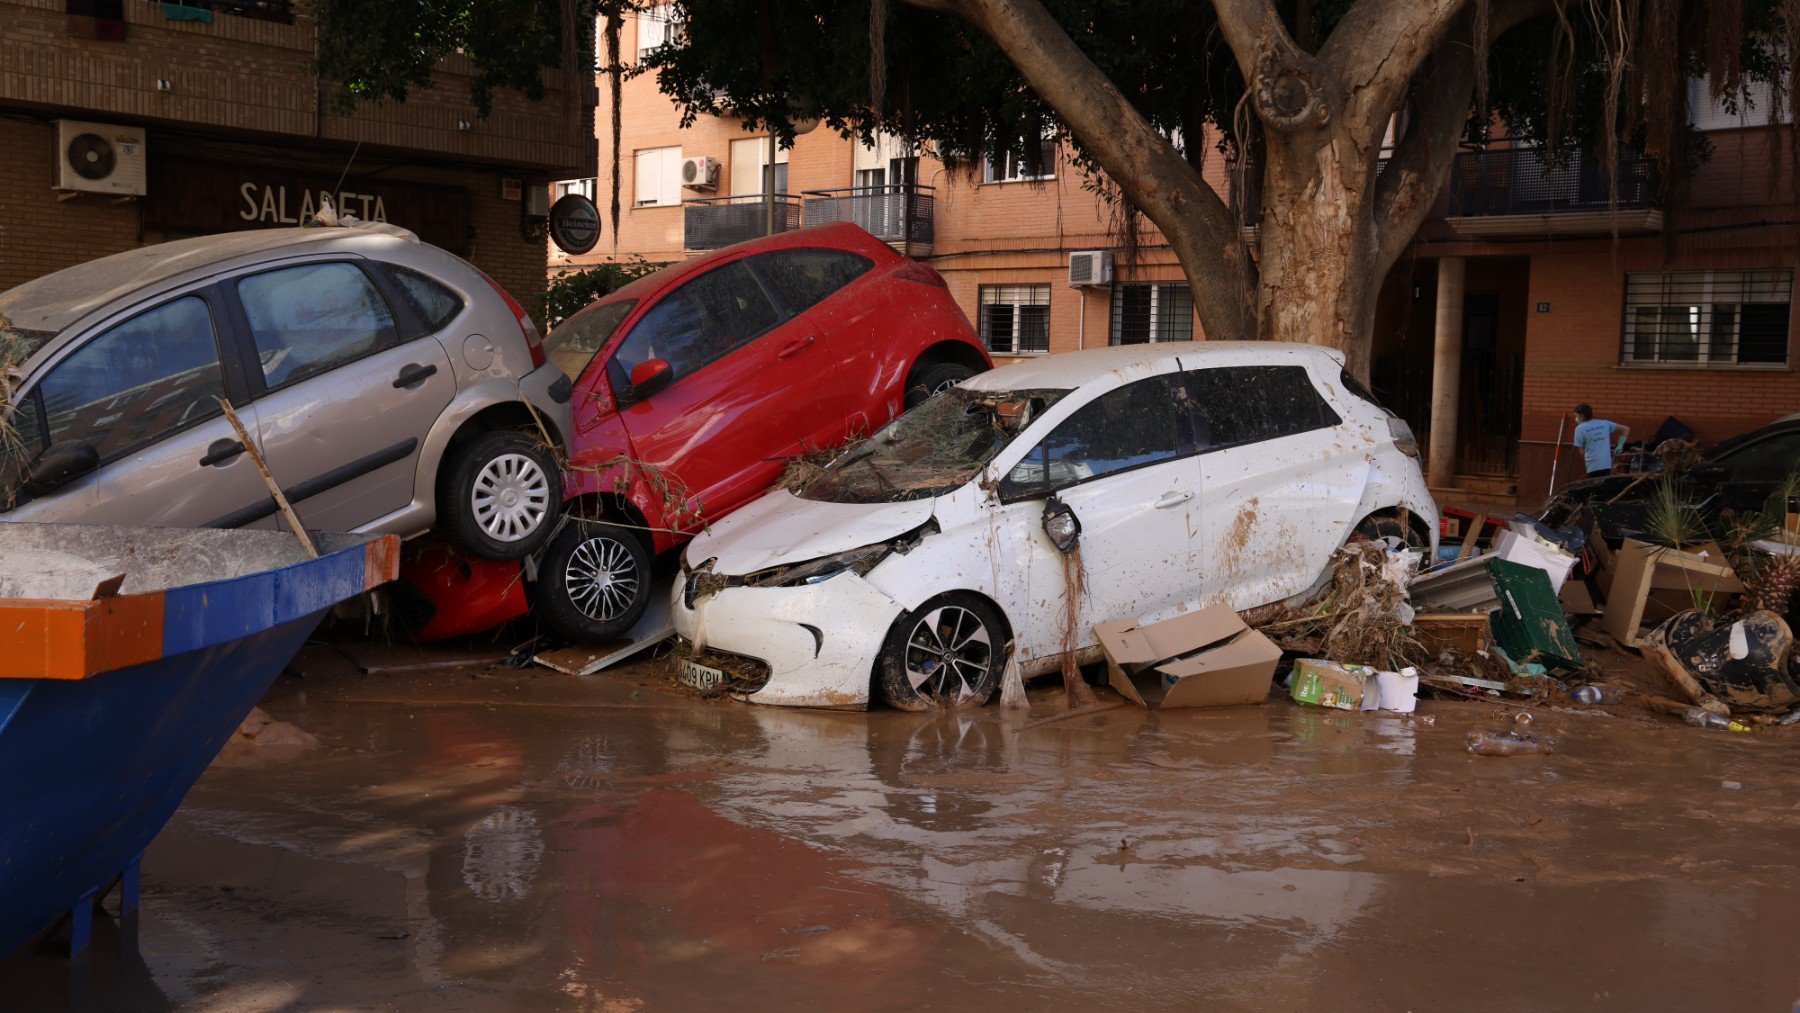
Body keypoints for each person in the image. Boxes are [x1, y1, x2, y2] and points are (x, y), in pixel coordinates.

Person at [1570, 404, 1629, 478]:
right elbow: (1626, 429)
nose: (1576, 418)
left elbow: (1582, 451)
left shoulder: (1580, 429)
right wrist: (1620, 445)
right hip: (1607, 464)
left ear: (1581, 415)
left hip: (1593, 465)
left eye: (1576, 416)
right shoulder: (1605, 423)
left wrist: (1586, 462)